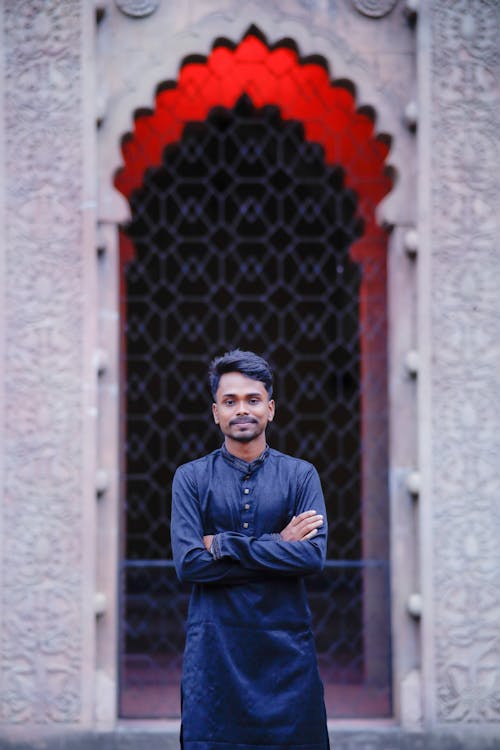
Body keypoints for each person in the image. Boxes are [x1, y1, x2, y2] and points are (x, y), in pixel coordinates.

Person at [171, 349, 330, 749]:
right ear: (215, 412)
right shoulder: (190, 479)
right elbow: (190, 565)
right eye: (230, 401)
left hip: (285, 653)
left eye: (252, 400)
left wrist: (223, 545)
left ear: (270, 409)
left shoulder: (300, 475)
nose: (242, 409)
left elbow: (312, 556)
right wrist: (279, 545)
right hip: (214, 654)